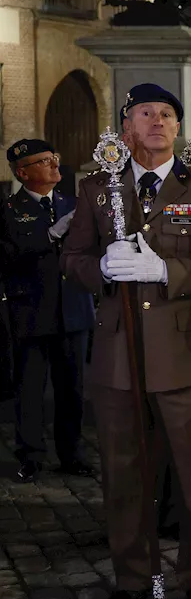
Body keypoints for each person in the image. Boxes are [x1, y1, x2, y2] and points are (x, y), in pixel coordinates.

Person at [61, 82, 191, 599]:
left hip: (184, 355)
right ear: (126, 126)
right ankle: (133, 576)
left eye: (168, 113)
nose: (159, 121)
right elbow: (73, 257)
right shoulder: (99, 188)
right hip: (119, 358)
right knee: (124, 476)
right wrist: (101, 269)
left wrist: (167, 270)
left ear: (178, 127)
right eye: (147, 113)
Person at [1, 139, 95, 482]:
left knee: (72, 389)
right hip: (32, 311)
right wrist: (50, 235)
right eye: (43, 162)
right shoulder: (9, 210)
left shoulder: (73, 204)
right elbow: (9, 257)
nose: (55, 165)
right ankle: (31, 456)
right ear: (23, 172)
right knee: (30, 389)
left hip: (72, 309)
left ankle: (72, 454)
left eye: (54, 158)